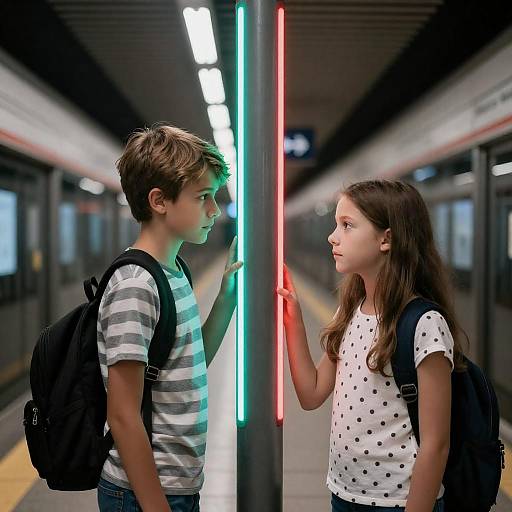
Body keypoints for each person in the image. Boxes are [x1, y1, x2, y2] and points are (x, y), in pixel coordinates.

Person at [278, 180, 467, 512]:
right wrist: (293, 322)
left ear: (387, 239)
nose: (332, 236)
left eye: (347, 226)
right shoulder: (351, 310)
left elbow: (436, 445)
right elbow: (312, 393)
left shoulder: (424, 324)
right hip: (343, 493)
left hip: (397, 501)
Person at [96, 124, 242, 512]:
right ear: (160, 201)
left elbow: (191, 362)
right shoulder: (135, 286)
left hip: (176, 483)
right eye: (203, 197)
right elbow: (124, 414)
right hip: (141, 492)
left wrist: (227, 296)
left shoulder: (174, 270)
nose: (214, 210)